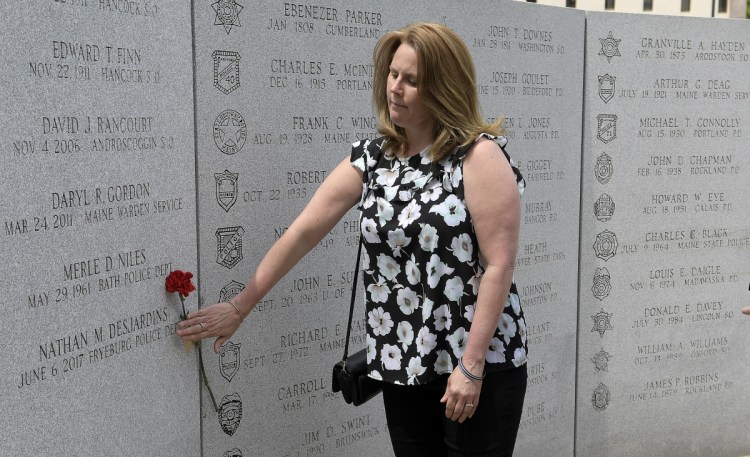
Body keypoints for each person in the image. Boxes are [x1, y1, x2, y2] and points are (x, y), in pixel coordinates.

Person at [178, 22, 528, 457]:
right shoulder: (372, 159)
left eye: (412, 80)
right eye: (393, 74)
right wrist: (240, 305)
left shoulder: (478, 156)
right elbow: (303, 231)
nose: (395, 88)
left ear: (444, 87)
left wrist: (471, 367)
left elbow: (499, 263)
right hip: (402, 360)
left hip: (477, 363)